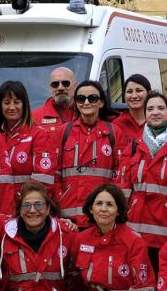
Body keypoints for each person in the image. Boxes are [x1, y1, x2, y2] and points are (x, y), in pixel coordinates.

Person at [32, 80, 120, 229]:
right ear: (76, 103)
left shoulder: (114, 133)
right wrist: (59, 201)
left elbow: (121, 175)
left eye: (92, 98)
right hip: (68, 218)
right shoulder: (63, 132)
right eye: (81, 98)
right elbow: (52, 173)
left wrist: (109, 206)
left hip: (101, 218)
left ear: (101, 103)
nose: (86, 102)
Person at [118, 91, 167, 254]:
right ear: (145, 114)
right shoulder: (134, 147)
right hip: (136, 231)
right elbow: (123, 188)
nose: (155, 112)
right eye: (150, 109)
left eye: (161, 108)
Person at [0, 80, 38, 214]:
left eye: (17, 102)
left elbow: (43, 181)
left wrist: (28, 206)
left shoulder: (38, 134)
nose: (12, 107)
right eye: (6, 103)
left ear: (25, 105)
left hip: (28, 210)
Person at [112, 74, 152, 158]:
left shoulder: (157, 122)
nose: (134, 96)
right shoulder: (116, 125)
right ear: (124, 96)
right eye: (129, 92)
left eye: (139, 90)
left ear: (149, 93)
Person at [37, 66, 79, 131]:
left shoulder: (88, 114)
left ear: (75, 86)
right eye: (55, 84)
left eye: (66, 83)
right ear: (50, 88)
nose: (60, 88)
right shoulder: (34, 118)